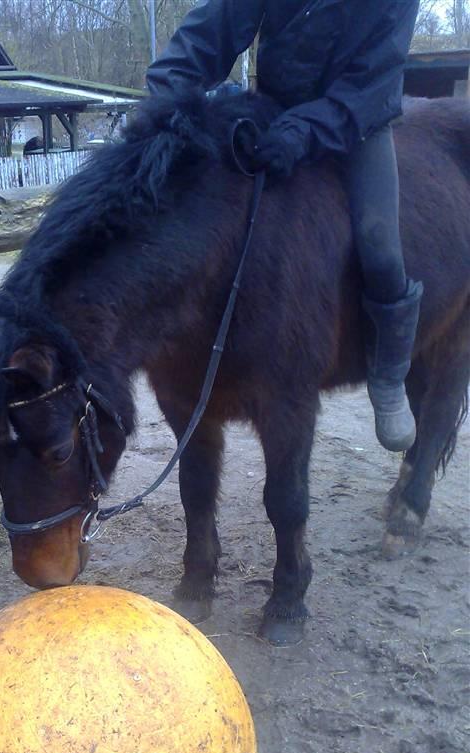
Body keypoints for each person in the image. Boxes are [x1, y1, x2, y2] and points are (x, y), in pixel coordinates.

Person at [146, 0, 422, 453]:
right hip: (275, 105)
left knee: (381, 248)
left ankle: (390, 373)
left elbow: (372, 81)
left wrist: (304, 131)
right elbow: (219, 24)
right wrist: (167, 94)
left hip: (358, 121)